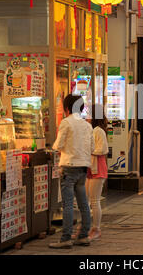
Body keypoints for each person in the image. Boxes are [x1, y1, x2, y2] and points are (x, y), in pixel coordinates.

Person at [49, 94, 94, 249]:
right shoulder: (87, 126)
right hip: (83, 167)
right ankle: (83, 236)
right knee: (83, 204)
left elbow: (58, 145)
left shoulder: (66, 123)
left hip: (68, 165)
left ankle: (66, 238)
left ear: (67, 108)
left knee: (68, 204)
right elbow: (92, 148)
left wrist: (55, 147)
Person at [85, 104, 109, 240]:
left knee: (94, 201)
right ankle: (88, 228)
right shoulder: (93, 130)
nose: (87, 117)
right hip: (91, 168)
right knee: (88, 200)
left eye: (89, 114)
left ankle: (96, 229)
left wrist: (89, 151)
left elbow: (103, 149)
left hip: (97, 169)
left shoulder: (98, 131)